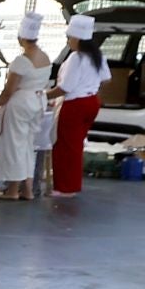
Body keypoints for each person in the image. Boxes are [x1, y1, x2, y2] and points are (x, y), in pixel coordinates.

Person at [47, 13, 108, 200]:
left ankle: (65, 187)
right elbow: (106, 78)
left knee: (65, 146)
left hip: (75, 105)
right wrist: (90, 87)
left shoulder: (76, 58)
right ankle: (71, 184)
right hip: (91, 102)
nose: (68, 41)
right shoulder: (97, 56)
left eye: (69, 37)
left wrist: (43, 95)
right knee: (76, 145)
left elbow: (65, 87)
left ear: (77, 38)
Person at [0, 13, 50, 201]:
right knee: (27, 146)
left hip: (20, 104)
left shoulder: (21, 61)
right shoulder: (45, 57)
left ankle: (12, 190)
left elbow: (9, 90)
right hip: (37, 102)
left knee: (14, 146)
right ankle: (27, 189)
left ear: (20, 38)